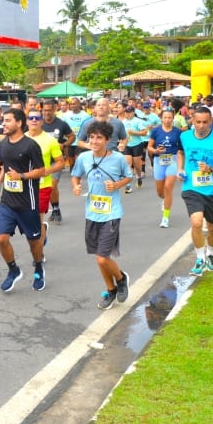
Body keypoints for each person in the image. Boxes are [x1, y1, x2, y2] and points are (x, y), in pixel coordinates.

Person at [71, 121, 134, 310]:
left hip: (111, 213)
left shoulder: (118, 158)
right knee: (98, 255)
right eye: (91, 137)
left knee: (102, 257)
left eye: (99, 138)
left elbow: (128, 176)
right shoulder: (84, 158)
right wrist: (76, 186)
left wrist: (116, 185)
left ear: (107, 140)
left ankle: (121, 279)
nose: (94, 141)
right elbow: (76, 175)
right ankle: (111, 289)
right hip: (92, 213)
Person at [176, 106, 213, 275]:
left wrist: (211, 169)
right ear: (192, 121)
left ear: (211, 121)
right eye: (198, 122)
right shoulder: (184, 136)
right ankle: (200, 258)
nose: (201, 126)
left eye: (205, 122)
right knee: (196, 222)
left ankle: (211, 254)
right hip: (191, 188)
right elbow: (180, 153)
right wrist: (180, 169)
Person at [0, 108, 46, 292]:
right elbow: (4, 167)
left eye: (8, 120)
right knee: (1, 239)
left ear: (19, 123)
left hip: (27, 202)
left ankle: (38, 268)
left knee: (33, 242)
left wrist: (21, 176)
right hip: (7, 201)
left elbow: (41, 170)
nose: (3, 123)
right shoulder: (3, 144)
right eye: (3, 120)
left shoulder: (30, 145)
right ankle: (13, 270)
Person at [25, 107, 64, 249]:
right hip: (24, 186)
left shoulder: (50, 140)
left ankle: (39, 253)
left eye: (37, 118)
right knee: (28, 220)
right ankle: (42, 230)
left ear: (41, 121)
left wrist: (47, 170)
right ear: (26, 121)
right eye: (31, 118)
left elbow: (60, 162)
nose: (34, 120)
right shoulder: (21, 138)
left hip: (42, 185)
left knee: (37, 218)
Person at [40, 99, 74, 224]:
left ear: (55, 109)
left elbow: (72, 136)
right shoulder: (38, 124)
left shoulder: (61, 124)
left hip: (56, 160)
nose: (47, 113)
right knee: (46, 187)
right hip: (41, 161)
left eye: (49, 110)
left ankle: (55, 209)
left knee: (52, 184)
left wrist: (64, 145)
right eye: (44, 110)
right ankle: (55, 208)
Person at [147, 109, 182, 228]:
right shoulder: (156, 131)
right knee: (160, 192)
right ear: (161, 119)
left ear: (173, 118)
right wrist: (155, 151)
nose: (167, 120)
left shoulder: (177, 132)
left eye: (169, 117)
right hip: (159, 160)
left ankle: (165, 218)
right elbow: (149, 147)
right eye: (165, 117)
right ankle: (164, 199)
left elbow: (181, 150)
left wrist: (181, 166)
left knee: (168, 188)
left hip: (173, 160)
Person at [121, 105, 150, 193]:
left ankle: (139, 176)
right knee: (128, 164)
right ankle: (128, 185)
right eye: (126, 112)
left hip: (137, 144)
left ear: (133, 113)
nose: (128, 114)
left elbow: (145, 133)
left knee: (137, 166)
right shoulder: (123, 122)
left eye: (129, 112)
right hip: (127, 145)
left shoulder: (138, 121)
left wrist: (134, 132)